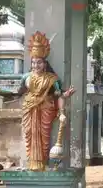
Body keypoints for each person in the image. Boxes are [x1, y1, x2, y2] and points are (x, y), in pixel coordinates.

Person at [19, 31, 75, 171]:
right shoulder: (26, 77)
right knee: (29, 134)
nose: (36, 65)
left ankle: (43, 163)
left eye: (39, 63)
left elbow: (59, 94)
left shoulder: (52, 78)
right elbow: (19, 93)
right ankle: (31, 162)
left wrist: (64, 99)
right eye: (33, 62)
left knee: (44, 137)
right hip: (29, 109)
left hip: (45, 108)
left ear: (44, 64)